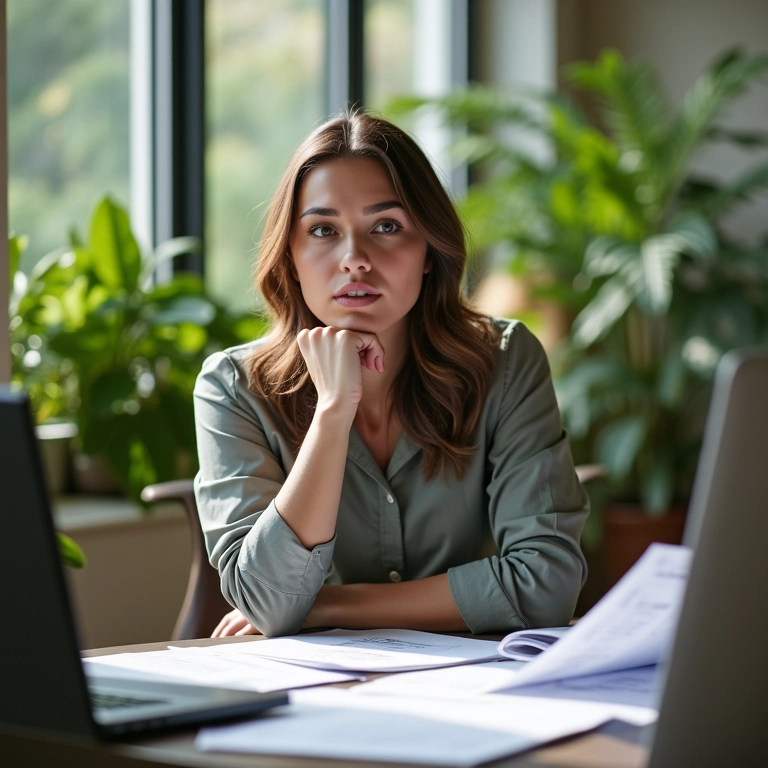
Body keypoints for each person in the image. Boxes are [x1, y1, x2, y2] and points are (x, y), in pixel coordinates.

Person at [193, 111, 588, 639]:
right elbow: (269, 599)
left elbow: (547, 584)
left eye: (386, 226)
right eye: (323, 230)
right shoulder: (233, 389)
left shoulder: (506, 361)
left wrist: (326, 607)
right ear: (291, 255)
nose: (354, 259)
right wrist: (333, 412)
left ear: (428, 249)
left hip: (470, 678)